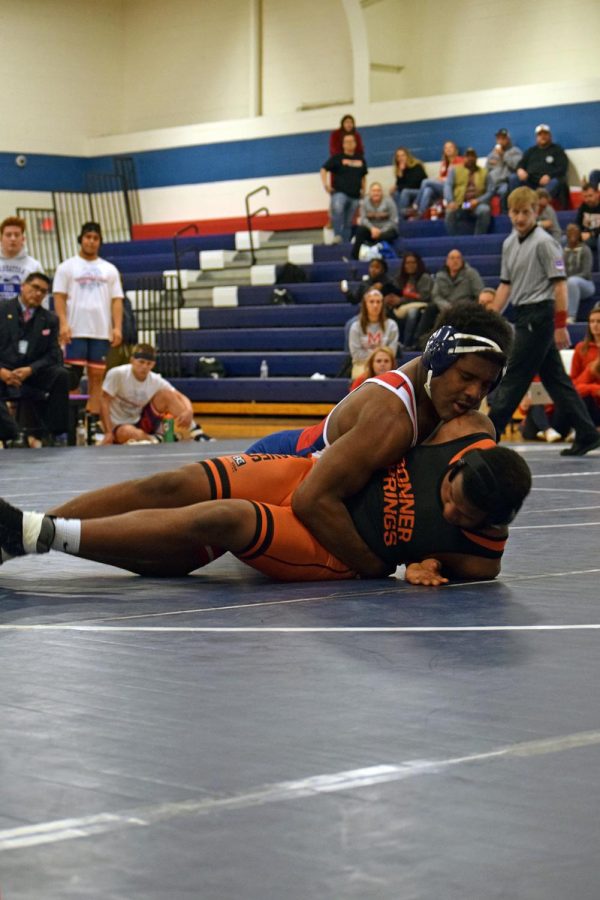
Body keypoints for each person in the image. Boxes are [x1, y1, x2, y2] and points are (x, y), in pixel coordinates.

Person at [0, 412, 532, 586]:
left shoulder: (482, 559)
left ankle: (36, 534)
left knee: (223, 518)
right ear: (456, 462)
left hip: (328, 544)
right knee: (171, 485)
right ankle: (19, 536)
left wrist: (419, 566)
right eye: (451, 497)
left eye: (464, 517)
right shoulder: (466, 429)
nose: (450, 514)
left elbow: (437, 569)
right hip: (309, 478)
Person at [245, 302, 514, 576]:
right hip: (285, 465)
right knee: (219, 522)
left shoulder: (450, 408)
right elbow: (312, 499)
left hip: (318, 486)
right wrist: (378, 565)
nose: (474, 393)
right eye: (467, 377)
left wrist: (425, 560)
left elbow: (424, 503)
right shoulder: (392, 416)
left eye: (485, 385)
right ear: (438, 357)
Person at [486, 187, 600, 457]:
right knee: (555, 379)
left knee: (515, 374)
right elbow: (505, 286)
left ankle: (488, 434)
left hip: (541, 313)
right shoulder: (509, 243)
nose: (520, 218)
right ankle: (585, 432)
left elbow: (559, 286)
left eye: (526, 212)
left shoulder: (545, 242)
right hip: (524, 312)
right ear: (509, 213)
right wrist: (489, 316)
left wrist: (560, 324)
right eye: (515, 212)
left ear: (536, 212)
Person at [52, 222, 124, 418]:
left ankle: (91, 421)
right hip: (75, 330)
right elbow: (59, 297)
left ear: (99, 242)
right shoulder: (66, 267)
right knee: (71, 378)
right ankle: (71, 421)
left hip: (101, 331)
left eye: (95, 238)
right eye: (88, 237)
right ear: (81, 239)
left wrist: (117, 328)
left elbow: (117, 300)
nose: (91, 242)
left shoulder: (109, 269)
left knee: (97, 377)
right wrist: (63, 324)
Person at [0, 273, 69, 447]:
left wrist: (31, 369)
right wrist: (2, 372)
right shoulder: (2, 310)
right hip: (3, 371)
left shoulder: (50, 319)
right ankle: (14, 434)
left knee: (60, 375)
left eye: (43, 291)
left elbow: (53, 354)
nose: (38, 294)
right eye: (35, 288)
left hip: (31, 373)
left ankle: (54, 434)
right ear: (23, 286)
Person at [100, 343, 213, 444]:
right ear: (132, 360)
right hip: (119, 425)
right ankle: (157, 438)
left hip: (140, 420)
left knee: (167, 395)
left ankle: (196, 432)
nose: (144, 367)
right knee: (127, 432)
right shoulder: (117, 374)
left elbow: (180, 396)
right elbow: (104, 401)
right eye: (141, 362)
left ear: (153, 364)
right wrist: (108, 432)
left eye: (148, 363)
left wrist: (189, 411)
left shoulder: (155, 379)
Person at [320, 134, 368, 243]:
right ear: (343, 144)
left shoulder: (361, 159)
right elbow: (323, 169)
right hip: (340, 192)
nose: (350, 143)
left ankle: (344, 243)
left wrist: (364, 190)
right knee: (337, 208)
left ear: (355, 144)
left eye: (352, 141)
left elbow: (363, 176)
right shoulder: (337, 158)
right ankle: (337, 235)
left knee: (349, 221)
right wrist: (325, 184)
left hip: (355, 195)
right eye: (347, 141)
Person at [509, 125, 569, 206]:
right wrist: (520, 170)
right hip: (530, 182)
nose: (543, 136)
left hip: (548, 183)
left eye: (545, 134)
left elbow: (563, 167)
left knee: (556, 182)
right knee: (513, 178)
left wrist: (549, 176)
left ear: (550, 136)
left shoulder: (557, 150)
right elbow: (521, 164)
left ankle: (535, 204)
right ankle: (515, 205)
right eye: (540, 134)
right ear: (536, 137)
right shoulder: (531, 151)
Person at [383, 251, 433, 348]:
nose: (410, 265)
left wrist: (402, 300)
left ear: (418, 264)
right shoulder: (399, 279)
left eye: (413, 262)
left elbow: (425, 297)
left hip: (420, 308)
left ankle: (408, 343)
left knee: (412, 312)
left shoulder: (424, 277)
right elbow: (394, 293)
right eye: (407, 263)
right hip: (400, 308)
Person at [348, 289, 399, 378]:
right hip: (362, 364)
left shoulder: (392, 325)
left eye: (378, 302)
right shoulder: (355, 327)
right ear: (365, 304)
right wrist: (376, 357)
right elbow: (356, 354)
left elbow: (392, 353)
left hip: (385, 364)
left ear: (382, 304)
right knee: (362, 376)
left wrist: (377, 359)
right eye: (371, 302)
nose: (375, 305)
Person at [444, 148, 493, 236]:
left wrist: (478, 201)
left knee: (485, 210)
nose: (470, 158)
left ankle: (478, 239)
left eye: (472, 156)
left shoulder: (484, 172)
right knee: (449, 212)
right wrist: (450, 201)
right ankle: (455, 240)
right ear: (464, 158)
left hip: (476, 204)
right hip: (461, 204)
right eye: (468, 156)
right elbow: (448, 186)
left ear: (476, 158)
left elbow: (490, 191)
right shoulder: (455, 170)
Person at [0, 216, 44, 302]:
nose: (13, 238)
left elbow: (41, 296)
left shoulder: (34, 266)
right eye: (8, 235)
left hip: (22, 314)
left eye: (16, 235)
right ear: (1, 239)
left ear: (23, 239)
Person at [414, 141, 463, 217]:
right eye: (446, 148)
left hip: (452, 188)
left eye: (450, 147)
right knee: (428, 190)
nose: (448, 149)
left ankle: (415, 204)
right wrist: (442, 179)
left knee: (425, 182)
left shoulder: (460, 160)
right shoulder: (444, 163)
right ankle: (420, 213)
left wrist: (444, 179)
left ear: (455, 149)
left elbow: (458, 177)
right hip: (443, 187)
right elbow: (440, 177)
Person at [351, 182, 399, 260]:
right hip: (371, 231)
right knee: (360, 230)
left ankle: (376, 249)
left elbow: (394, 220)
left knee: (392, 232)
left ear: (382, 192)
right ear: (369, 192)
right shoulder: (364, 202)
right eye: (373, 191)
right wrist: (372, 229)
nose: (376, 193)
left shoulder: (389, 201)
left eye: (378, 190)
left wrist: (380, 231)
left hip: (386, 231)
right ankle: (355, 258)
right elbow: (363, 219)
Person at [485, 128, 523, 211]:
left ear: (508, 139)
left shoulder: (515, 151)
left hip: (504, 182)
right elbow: (486, 170)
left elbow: (517, 166)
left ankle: (504, 214)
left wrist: (503, 155)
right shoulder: (492, 154)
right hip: (492, 183)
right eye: (498, 138)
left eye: (503, 138)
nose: (500, 141)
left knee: (504, 191)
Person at [564, 223, 595, 321]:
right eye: (570, 232)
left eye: (575, 232)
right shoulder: (562, 251)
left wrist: (568, 280)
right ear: (566, 235)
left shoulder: (586, 250)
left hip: (586, 285)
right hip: (567, 285)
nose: (572, 234)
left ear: (579, 234)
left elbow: (586, 273)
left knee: (572, 282)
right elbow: (559, 269)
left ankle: (571, 316)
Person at [390, 147, 427, 218]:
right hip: (408, 190)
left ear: (407, 156)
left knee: (405, 192)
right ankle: (398, 216)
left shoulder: (416, 166)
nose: (401, 158)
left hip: (419, 191)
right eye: (398, 156)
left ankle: (400, 217)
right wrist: (400, 174)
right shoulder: (400, 169)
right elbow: (400, 185)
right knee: (396, 193)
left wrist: (398, 186)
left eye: (403, 155)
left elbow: (412, 184)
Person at [575, 182, 600, 262]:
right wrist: (578, 234)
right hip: (585, 236)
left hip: (596, 237)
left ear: (597, 194)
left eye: (590, 196)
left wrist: (591, 234)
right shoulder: (583, 206)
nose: (588, 199)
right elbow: (577, 223)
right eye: (585, 196)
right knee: (564, 240)